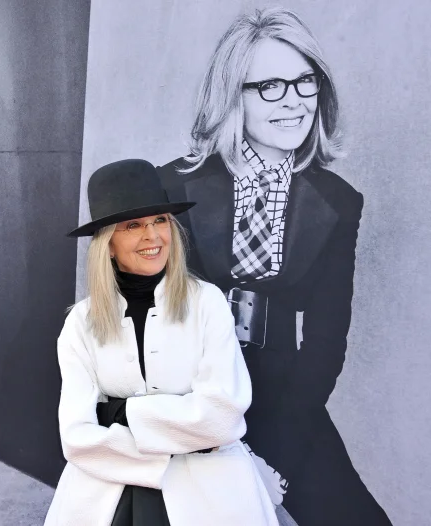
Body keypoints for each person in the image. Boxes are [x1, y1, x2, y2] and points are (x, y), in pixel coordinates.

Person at [157, 7, 391, 525]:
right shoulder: (171, 187)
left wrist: (274, 461)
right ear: (230, 94)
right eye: (270, 86)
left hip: (284, 398)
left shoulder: (337, 201)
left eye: (305, 82)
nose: (294, 102)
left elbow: (327, 342)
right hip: (186, 391)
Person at [44, 159, 277, 526]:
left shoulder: (207, 302)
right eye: (133, 225)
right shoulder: (81, 323)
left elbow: (222, 419)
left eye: (160, 220)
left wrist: (119, 414)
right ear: (107, 244)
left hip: (210, 498)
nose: (153, 236)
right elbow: (76, 438)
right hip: (105, 497)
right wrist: (182, 436)